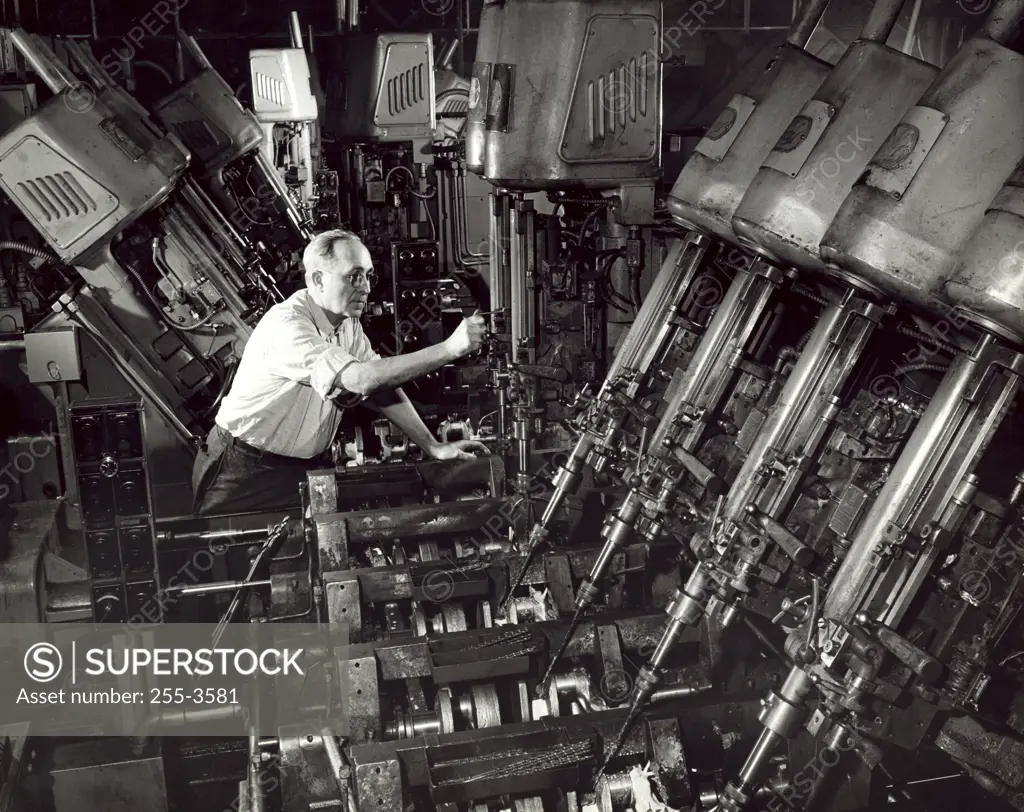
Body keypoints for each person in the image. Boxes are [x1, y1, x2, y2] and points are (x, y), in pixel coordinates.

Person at [192, 229, 489, 515]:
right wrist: (450, 349)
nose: (366, 287)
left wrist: (433, 446)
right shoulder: (288, 325)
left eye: (368, 276)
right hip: (243, 471)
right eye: (353, 276)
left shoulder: (345, 323)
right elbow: (360, 380)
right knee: (233, 558)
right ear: (318, 279)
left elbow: (380, 386)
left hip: (301, 467)